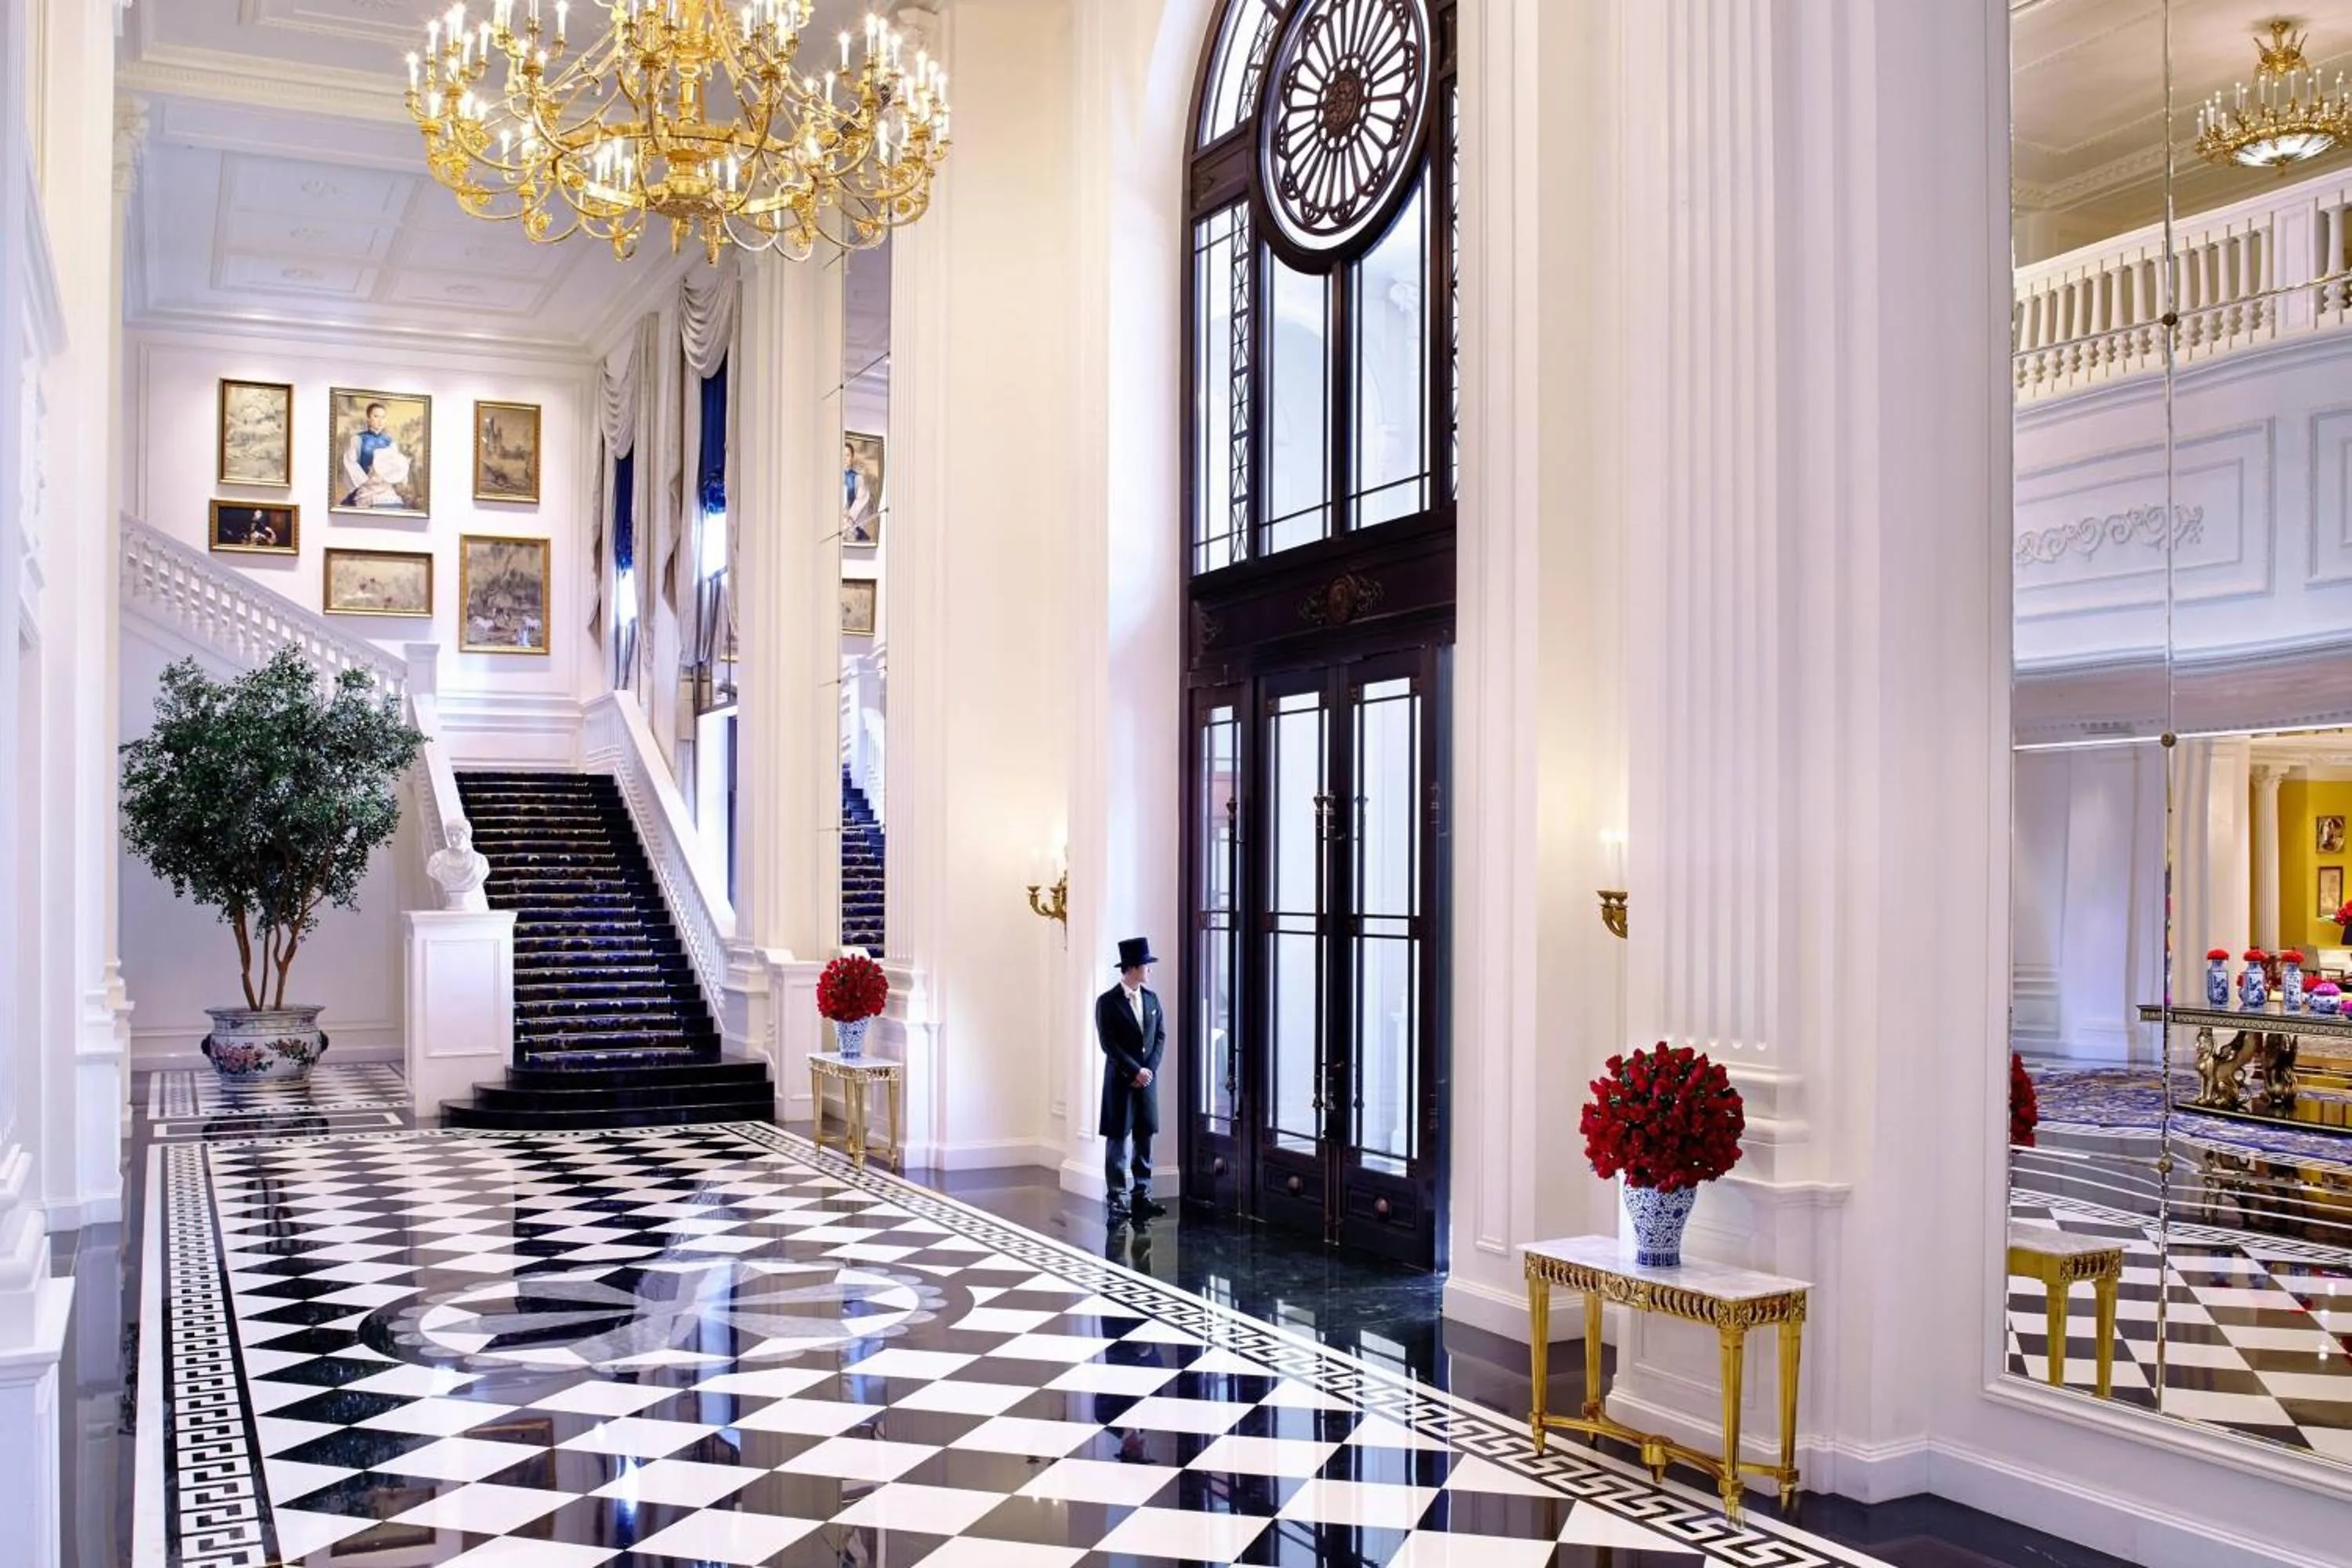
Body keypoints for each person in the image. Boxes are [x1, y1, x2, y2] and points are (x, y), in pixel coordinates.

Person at [1095, 937, 1167, 1225]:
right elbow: (1108, 1043)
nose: (1150, 970)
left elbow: (1160, 1037)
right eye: (1147, 965)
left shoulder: (1152, 999)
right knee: (1117, 1141)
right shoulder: (1107, 1002)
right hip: (1121, 1083)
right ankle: (1116, 1197)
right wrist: (1135, 1071)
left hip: (1146, 1082)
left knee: (1144, 1137)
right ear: (1134, 968)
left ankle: (1142, 1195)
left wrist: (1148, 1071)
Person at [340, 401, 412, 509]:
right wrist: (365, 480)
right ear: (368, 419)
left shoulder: (389, 442)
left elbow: (394, 465)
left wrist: (399, 470)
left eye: (383, 417)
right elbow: (350, 462)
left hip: (385, 486)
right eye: (376, 416)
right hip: (366, 487)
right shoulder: (358, 439)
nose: (380, 421)